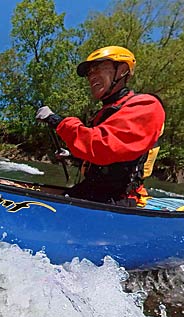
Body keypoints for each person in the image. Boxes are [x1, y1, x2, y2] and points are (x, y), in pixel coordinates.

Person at [35, 46, 165, 207]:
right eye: (90, 72)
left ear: (122, 70)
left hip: (118, 200)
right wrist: (72, 155)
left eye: (99, 68)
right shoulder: (105, 112)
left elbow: (102, 146)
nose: (92, 76)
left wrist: (57, 121)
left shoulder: (146, 106)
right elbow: (105, 160)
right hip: (92, 192)